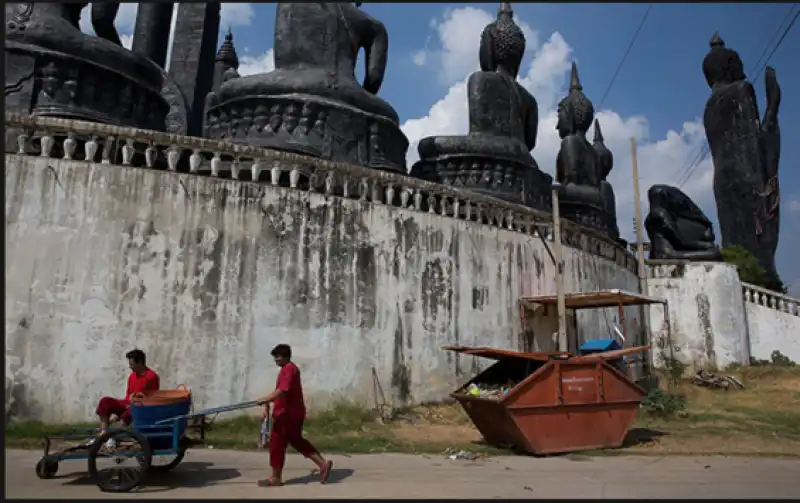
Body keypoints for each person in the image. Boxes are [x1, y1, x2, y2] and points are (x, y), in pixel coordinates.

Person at [256, 344, 332, 487]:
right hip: (291, 413)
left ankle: (275, 478)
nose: (275, 360)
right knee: (296, 440)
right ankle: (322, 463)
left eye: (277, 357)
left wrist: (265, 399)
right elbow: (279, 391)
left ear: (284, 356)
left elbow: (282, 391)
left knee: (277, 444)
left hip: (287, 415)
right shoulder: (289, 370)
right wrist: (267, 405)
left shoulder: (288, 370)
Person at [89, 349, 160, 447]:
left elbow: (153, 398)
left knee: (129, 412)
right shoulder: (132, 376)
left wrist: (139, 397)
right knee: (105, 401)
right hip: (128, 403)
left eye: (131, 364)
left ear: (139, 362)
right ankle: (103, 434)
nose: (129, 367)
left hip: (140, 406)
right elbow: (128, 396)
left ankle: (114, 437)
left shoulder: (152, 376)